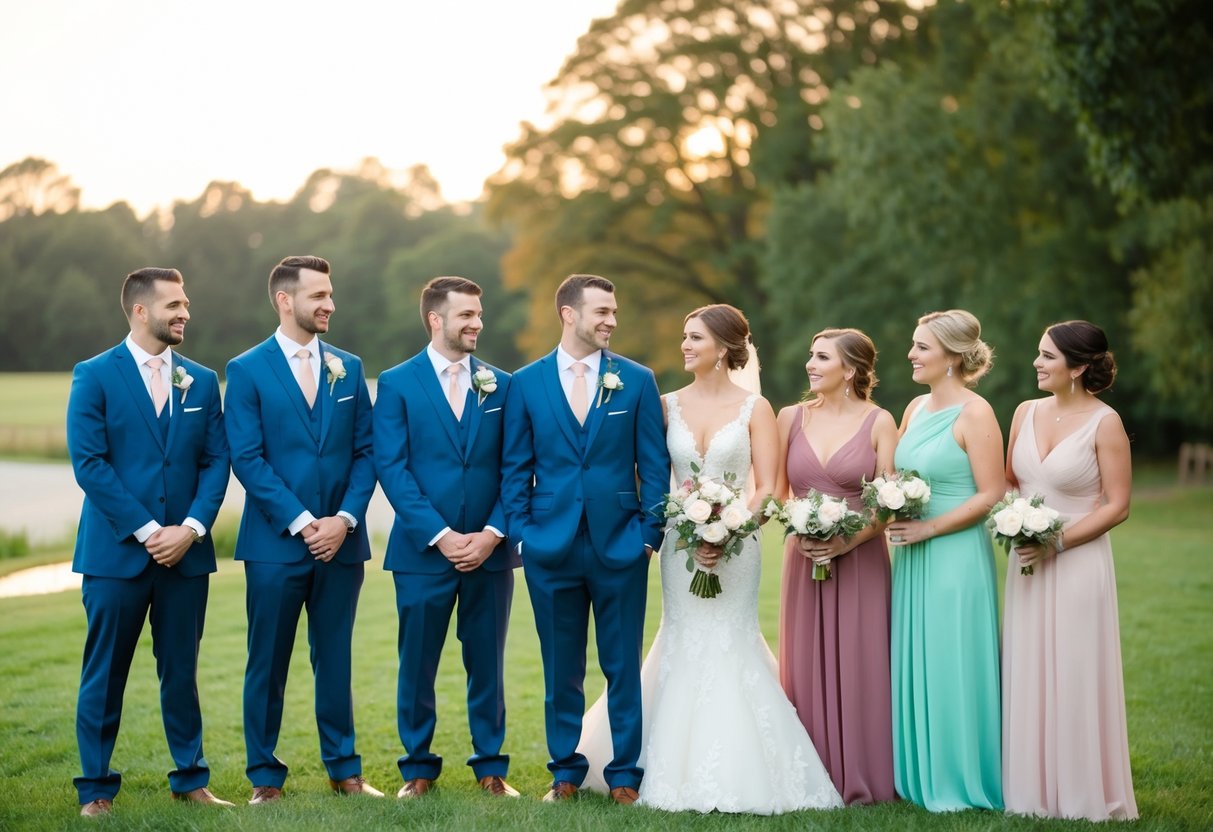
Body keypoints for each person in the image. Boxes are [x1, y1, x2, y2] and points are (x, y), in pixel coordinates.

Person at [578, 304, 843, 813]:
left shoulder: (755, 409)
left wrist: (730, 531)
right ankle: (646, 760)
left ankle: (745, 768)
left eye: (694, 337)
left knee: (730, 638)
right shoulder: (664, 404)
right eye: (684, 336)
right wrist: (686, 525)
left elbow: (767, 487)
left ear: (723, 348)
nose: (684, 345)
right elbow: (653, 476)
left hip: (737, 547)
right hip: (678, 546)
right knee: (679, 635)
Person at [66, 267, 232, 816]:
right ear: (140, 310)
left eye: (186, 303)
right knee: (105, 672)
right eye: (174, 304)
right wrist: (146, 530)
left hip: (186, 555)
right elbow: (90, 464)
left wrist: (190, 529)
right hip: (117, 554)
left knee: (181, 672)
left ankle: (190, 779)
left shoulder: (202, 381)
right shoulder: (94, 375)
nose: (185, 312)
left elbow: (216, 462)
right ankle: (95, 790)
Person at [500, 274, 669, 804]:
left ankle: (624, 776)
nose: (611, 321)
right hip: (550, 548)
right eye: (601, 311)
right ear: (568, 314)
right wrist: (525, 535)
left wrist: (648, 535)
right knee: (561, 670)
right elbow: (514, 469)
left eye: (614, 312)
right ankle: (565, 774)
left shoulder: (636, 380)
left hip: (622, 545)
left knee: (622, 666)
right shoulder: (525, 383)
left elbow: (655, 466)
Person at [225, 255, 381, 804]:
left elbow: (367, 453)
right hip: (274, 545)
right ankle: (265, 778)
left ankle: (345, 771)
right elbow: (247, 458)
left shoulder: (349, 367)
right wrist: (301, 521)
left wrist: (343, 519)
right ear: (285, 301)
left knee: (334, 659)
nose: (330, 304)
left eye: (331, 294)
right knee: (265, 662)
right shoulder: (246, 370)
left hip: (343, 543)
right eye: (318, 295)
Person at [373, 277, 520, 799]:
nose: (476, 323)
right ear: (436, 320)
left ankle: (491, 768)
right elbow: (392, 468)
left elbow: (516, 468)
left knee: (488, 664)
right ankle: (417, 768)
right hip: (420, 553)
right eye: (465, 315)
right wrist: (439, 534)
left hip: (491, 552)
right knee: (417, 664)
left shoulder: (503, 384)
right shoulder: (396, 383)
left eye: (479, 314)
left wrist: (492, 533)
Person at [1002, 321, 1137, 820]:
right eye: (1038, 354)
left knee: (1074, 669)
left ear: (1078, 367)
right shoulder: (1024, 411)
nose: (1036, 363)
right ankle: (1031, 791)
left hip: (1077, 560)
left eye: (1047, 357)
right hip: (1026, 560)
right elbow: (1009, 481)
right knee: (1028, 664)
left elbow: (1118, 505)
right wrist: (1014, 521)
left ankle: (1081, 792)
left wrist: (1054, 540)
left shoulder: (1106, 423)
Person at [886, 309, 1004, 811]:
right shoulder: (913, 408)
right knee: (918, 659)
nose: (911, 354)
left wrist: (929, 527)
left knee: (953, 660)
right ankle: (919, 772)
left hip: (954, 555)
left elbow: (991, 493)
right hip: (912, 556)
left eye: (922, 347)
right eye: (914, 345)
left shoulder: (976, 414)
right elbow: (895, 474)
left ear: (953, 357)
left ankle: (961, 777)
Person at [775, 328, 899, 804]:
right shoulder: (790, 417)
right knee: (803, 662)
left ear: (849, 370)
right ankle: (809, 772)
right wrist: (801, 527)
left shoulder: (880, 421)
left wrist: (849, 542)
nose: (810, 363)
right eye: (811, 354)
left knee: (861, 660)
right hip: (803, 555)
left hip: (862, 555)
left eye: (821, 357)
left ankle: (864, 773)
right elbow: (776, 491)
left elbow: (889, 498)